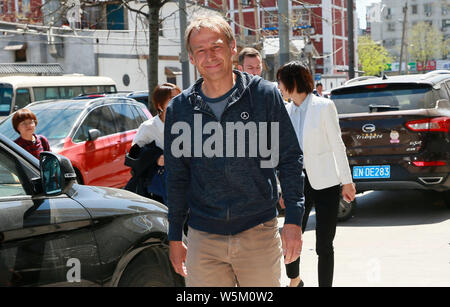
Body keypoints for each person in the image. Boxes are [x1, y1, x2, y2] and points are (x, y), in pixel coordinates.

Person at [165, 15, 305, 287]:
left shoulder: (264, 96)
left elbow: (288, 158)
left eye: (216, 47)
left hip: (258, 233)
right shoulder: (179, 109)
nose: (210, 56)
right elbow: (176, 177)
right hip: (203, 237)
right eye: (200, 51)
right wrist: (174, 236)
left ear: (232, 49)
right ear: (192, 59)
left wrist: (294, 220)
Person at [277, 61, 356, 287]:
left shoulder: (323, 106)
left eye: (281, 81)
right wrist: (283, 188)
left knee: (324, 244)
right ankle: (295, 280)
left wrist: (347, 182)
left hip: (326, 184)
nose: (279, 86)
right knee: (290, 237)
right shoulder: (286, 111)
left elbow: (337, 145)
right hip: (296, 185)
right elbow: (283, 155)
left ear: (293, 81)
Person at [125, 83, 181, 203]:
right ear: (160, 105)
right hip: (158, 190)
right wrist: (156, 158)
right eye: (172, 99)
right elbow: (133, 155)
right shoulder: (148, 127)